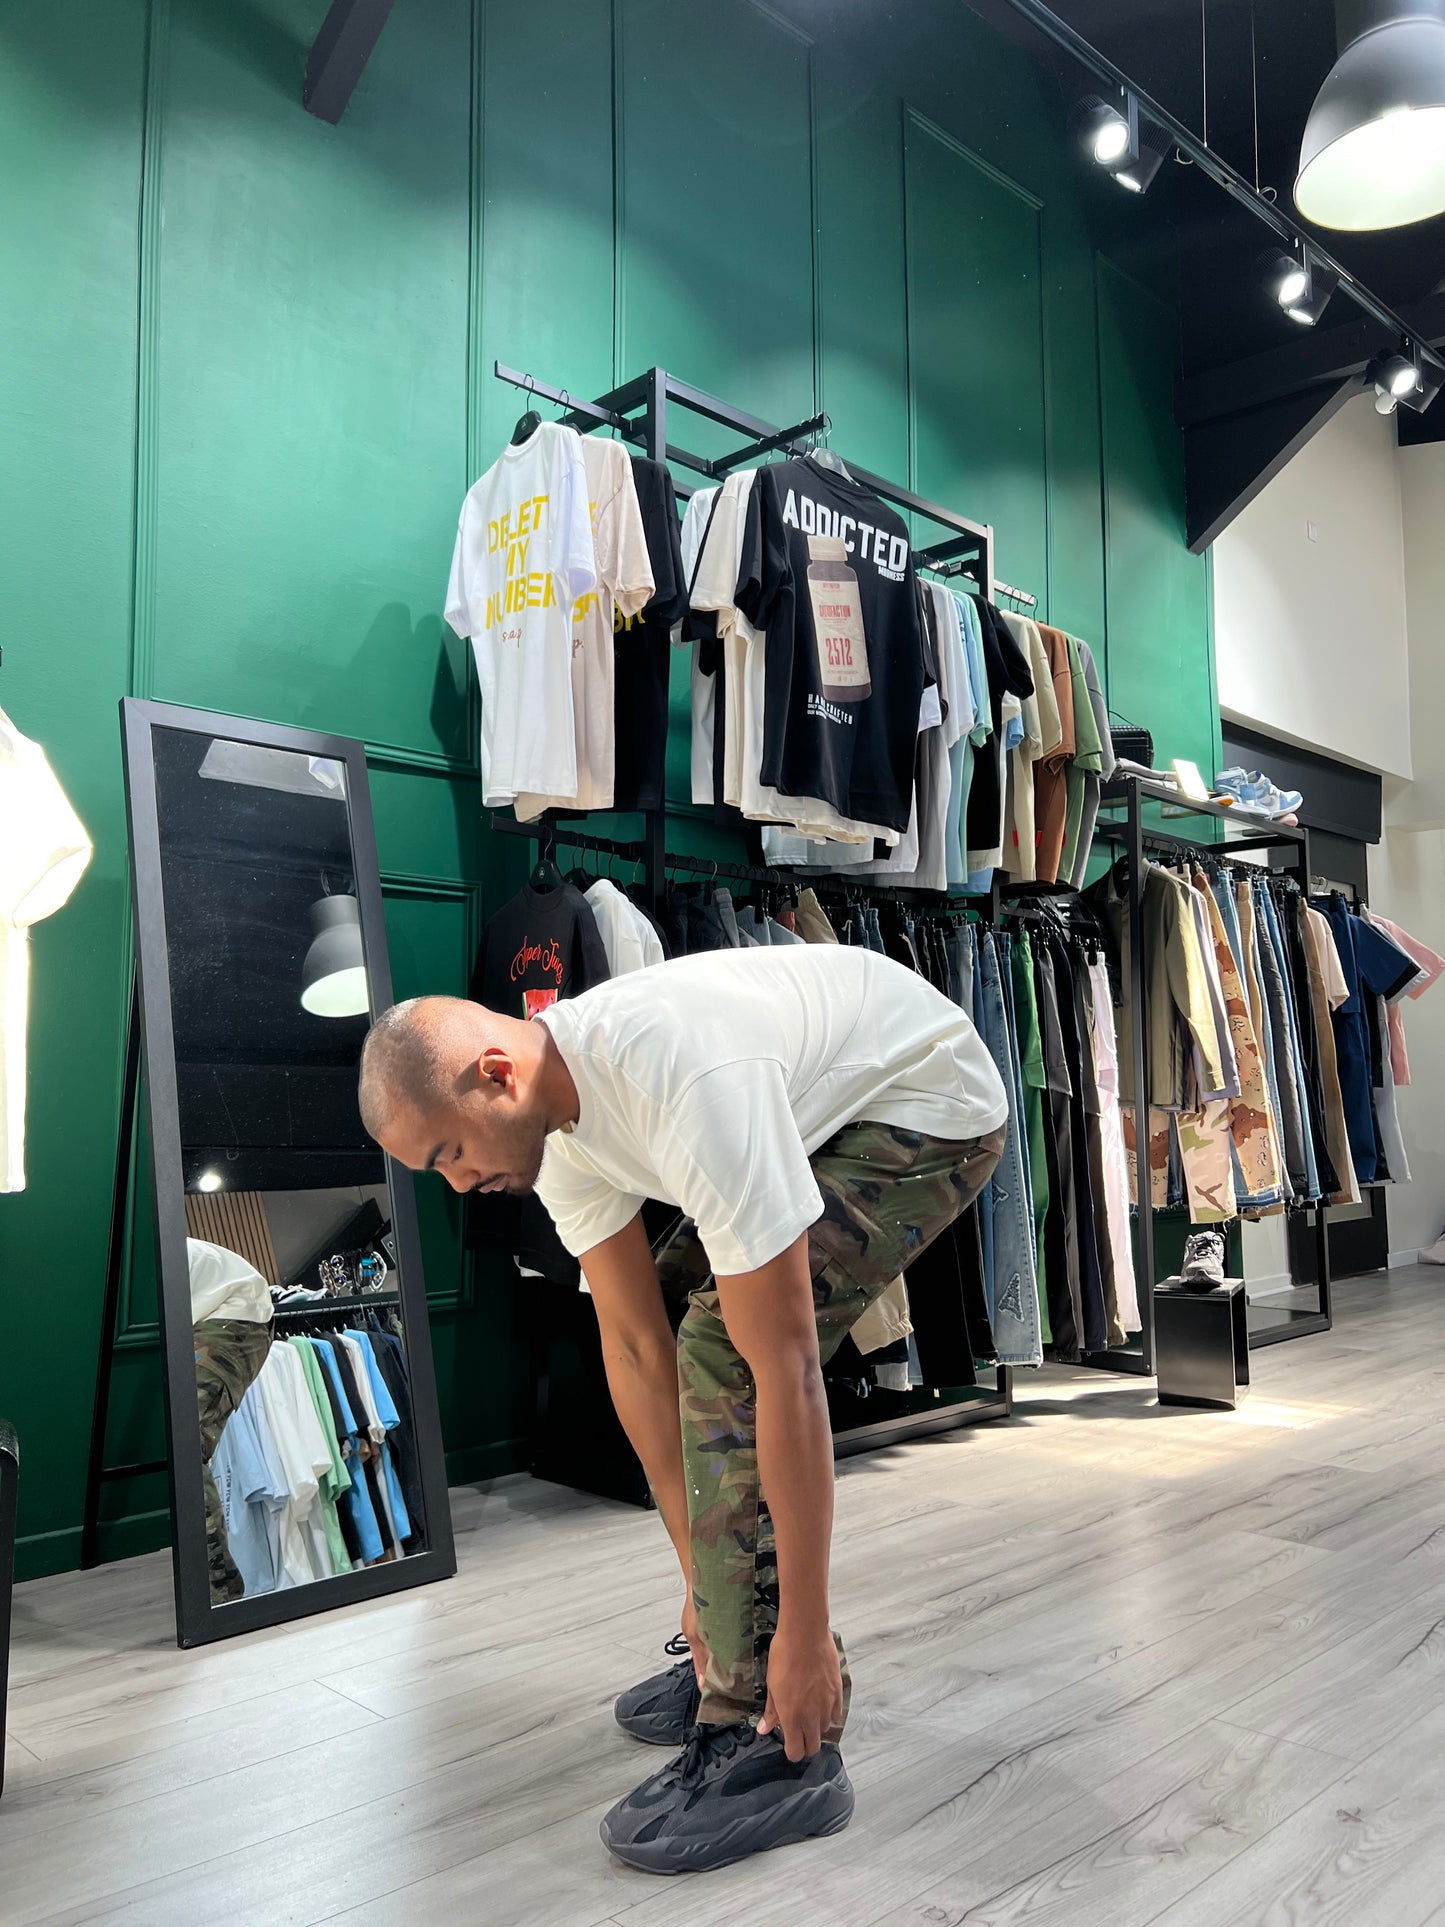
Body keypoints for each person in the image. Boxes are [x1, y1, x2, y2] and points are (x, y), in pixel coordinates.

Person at [357, 946, 1006, 1873]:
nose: (458, 1184)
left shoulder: (681, 1072)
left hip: (927, 1102)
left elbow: (784, 1368)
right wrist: (701, 1583)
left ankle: (772, 1738)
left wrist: (805, 1631)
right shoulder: (558, 1134)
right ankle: (731, 1638)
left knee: (726, 1348)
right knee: (673, 1310)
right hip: (820, 1104)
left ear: (496, 1074)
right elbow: (632, 1344)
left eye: (450, 1153)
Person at [187, 1237, 275, 1602]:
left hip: (236, 1314)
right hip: (225, 1312)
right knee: (183, 1445)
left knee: (186, 1444)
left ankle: (219, 1590)